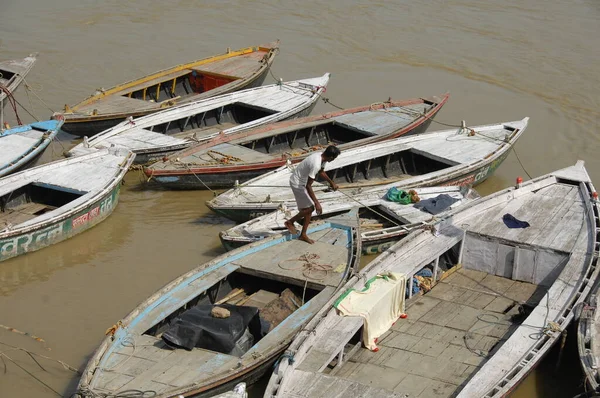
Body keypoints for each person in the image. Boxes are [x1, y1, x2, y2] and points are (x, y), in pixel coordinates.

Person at [285, 145, 341, 244]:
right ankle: (290, 222)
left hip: (302, 182)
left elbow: (321, 171)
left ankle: (303, 234)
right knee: (310, 208)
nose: (334, 160)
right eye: (335, 158)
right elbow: (308, 186)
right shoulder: (316, 163)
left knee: (308, 209)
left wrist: (331, 183)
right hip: (298, 183)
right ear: (331, 157)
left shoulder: (322, 158)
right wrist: (317, 203)